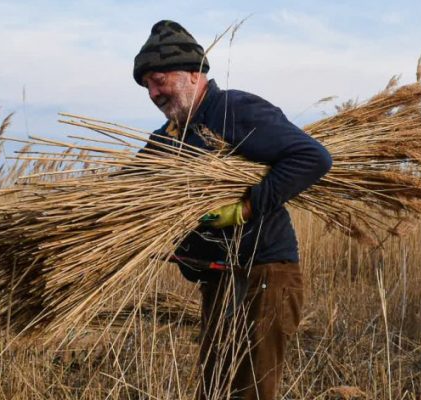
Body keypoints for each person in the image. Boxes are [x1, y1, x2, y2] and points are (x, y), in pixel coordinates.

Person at [133, 20, 332, 400]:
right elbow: (129, 187)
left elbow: (312, 157)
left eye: (160, 80)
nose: (154, 92)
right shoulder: (168, 138)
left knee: (249, 390)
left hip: (263, 272)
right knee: (215, 388)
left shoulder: (235, 110)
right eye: (147, 86)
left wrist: (245, 208)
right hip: (219, 276)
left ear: (194, 73)